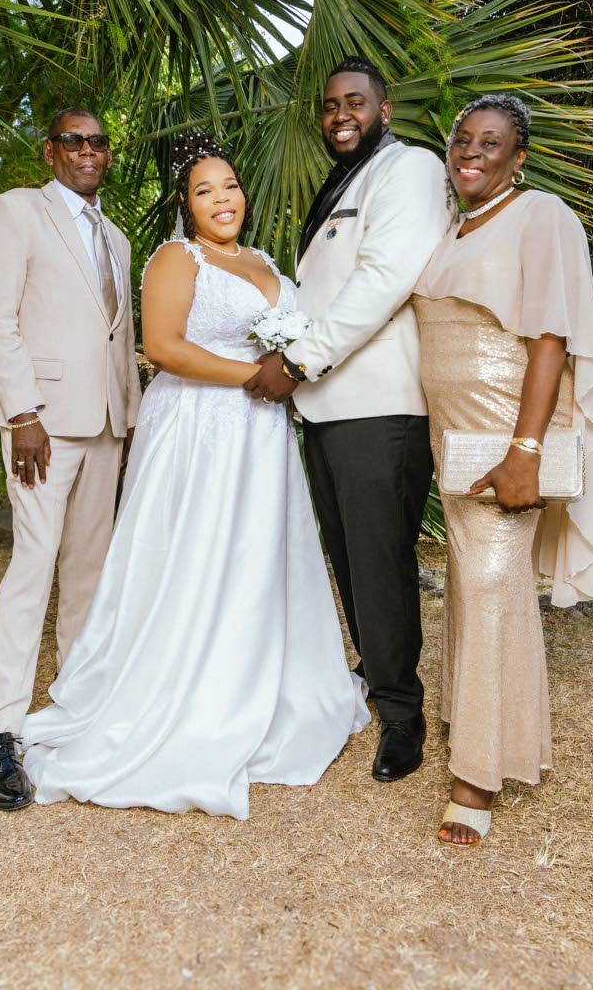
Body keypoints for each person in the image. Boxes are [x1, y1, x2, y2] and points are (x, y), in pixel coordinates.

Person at [20, 134, 369, 819]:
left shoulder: (267, 262)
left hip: (260, 435)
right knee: (195, 553)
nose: (222, 199)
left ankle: (259, 680)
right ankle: (182, 691)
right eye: (205, 189)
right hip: (197, 430)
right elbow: (163, 347)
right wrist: (260, 376)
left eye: (231, 185)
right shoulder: (176, 259)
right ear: (186, 204)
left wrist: (285, 375)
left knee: (254, 556)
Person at [412, 94, 593, 845]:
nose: (470, 151)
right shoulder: (453, 225)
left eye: (489, 143)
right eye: (462, 139)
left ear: (517, 157)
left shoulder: (542, 215)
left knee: (495, 580)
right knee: (469, 580)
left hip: (504, 433)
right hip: (450, 431)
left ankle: (478, 775)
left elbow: (550, 338)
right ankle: (478, 721)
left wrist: (523, 449)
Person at [245, 56, 451, 782]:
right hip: (328, 409)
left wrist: (298, 359)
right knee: (347, 557)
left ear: (383, 110)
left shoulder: (411, 169)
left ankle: (403, 716)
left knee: (379, 563)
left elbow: (382, 280)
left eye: (355, 103)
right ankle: (373, 674)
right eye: (330, 104)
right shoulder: (344, 181)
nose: (340, 114)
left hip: (379, 406)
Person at [0, 107, 142, 811]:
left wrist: (130, 421)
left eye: (97, 141)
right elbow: (0, 317)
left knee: (87, 575)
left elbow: (119, 335)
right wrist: (22, 413)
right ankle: (2, 733)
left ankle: (73, 711)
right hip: (41, 424)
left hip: (105, 423)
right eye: (73, 140)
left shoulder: (119, 237)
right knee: (32, 568)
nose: (86, 150)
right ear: (50, 152)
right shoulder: (18, 211)